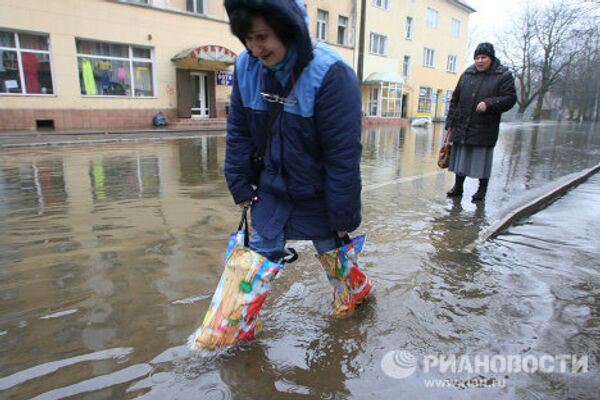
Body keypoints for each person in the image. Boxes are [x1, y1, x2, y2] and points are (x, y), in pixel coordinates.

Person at [223, 0, 371, 315]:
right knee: (251, 268)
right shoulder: (245, 67)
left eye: (262, 36)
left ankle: (357, 305)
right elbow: (238, 131)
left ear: (285, 28)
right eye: (248, 38)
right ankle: (228, 330)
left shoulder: (331, 75)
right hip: (272, 192)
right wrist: (239, 183)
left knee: (341, 273)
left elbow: (342, 157)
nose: (256, 48)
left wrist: (343, 218)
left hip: (320, 195)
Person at [445, 42, 517, 202]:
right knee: (461, 157)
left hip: (485, 126)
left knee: (482, 159)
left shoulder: (502, 75)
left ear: (491, 58)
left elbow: (510, 98)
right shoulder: (467, 74)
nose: (479, 61)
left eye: (483, 57)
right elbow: (455, 100)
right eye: (477, 57)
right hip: (462, 125)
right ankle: (458, 187)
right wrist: (449, 124)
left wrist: (489, 104)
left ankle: (481, 190)